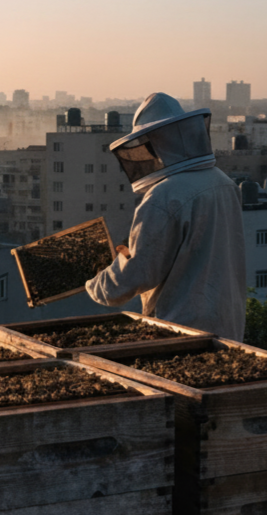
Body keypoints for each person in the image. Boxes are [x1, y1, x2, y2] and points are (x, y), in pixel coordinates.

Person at [85, 92, 246, 341]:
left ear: (152, 143)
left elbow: (138, 272)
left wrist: (94, 285)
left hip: (180, 331)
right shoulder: (223, 182)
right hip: (228, 328)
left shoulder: (164, 195)